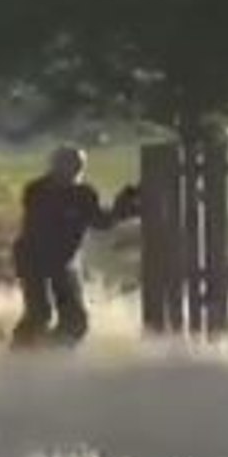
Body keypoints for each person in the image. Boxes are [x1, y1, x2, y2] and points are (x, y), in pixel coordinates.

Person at [9, 145, 141, 351]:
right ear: (54, 166)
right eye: (67, 166)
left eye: (75, 167)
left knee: (73, 321)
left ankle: (47, 354)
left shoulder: (79, 193)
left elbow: (100, 221)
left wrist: (125, 205)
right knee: (41, 314)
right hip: (36, 258)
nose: (71, 171)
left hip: (58, 261)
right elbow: (96, 220)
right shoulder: (40, 191)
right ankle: (21, 355)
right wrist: (122, 208)